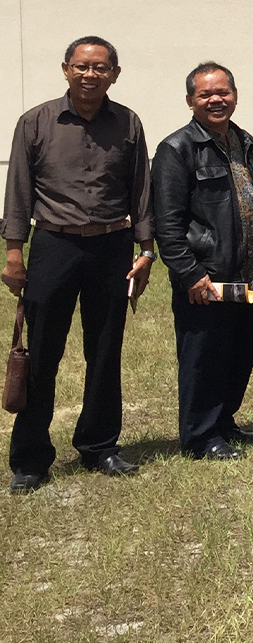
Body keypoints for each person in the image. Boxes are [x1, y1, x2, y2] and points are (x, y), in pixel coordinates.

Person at [3, 37, 155, 493]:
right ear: (66, 69)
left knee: (105, 351)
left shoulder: (128, 122)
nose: (91, 74)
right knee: (41, 354)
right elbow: (19, 188)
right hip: (54, 245)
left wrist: (146, 251)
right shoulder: (36, 122)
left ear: (115, 74)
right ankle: (31, 459)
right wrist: (14, 252)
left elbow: (140, 190)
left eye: (100, 67)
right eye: (82, 66)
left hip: (112, 247)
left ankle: (99, 446)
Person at [151, 62, 253, 461]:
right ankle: (201, 436)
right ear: (190, 100)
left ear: (235, 96)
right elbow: (167, 222)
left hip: (247, 273)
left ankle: (224, 422)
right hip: (206, 277)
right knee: (203, 357)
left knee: (238, 352)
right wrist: (190, 273)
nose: (216, 100)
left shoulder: (246, 142)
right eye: (206, 94)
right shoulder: (176, 149)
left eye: (223, 92)